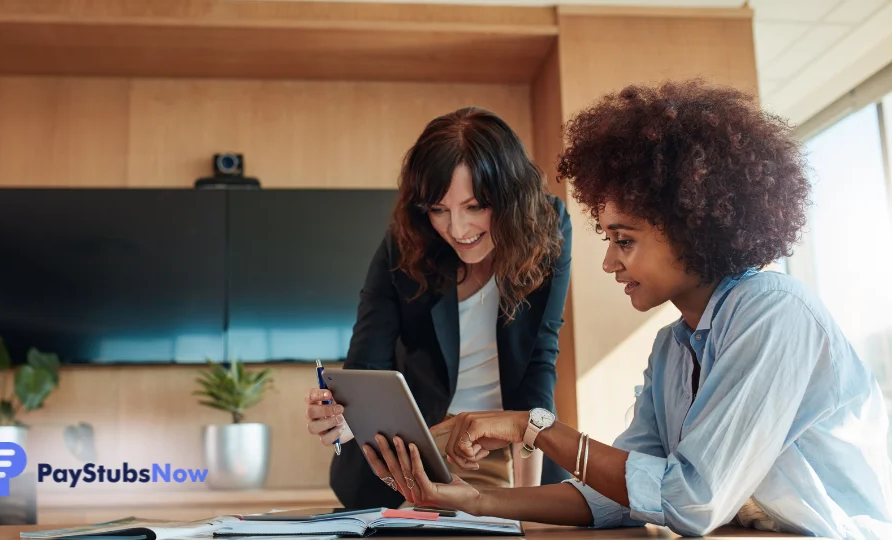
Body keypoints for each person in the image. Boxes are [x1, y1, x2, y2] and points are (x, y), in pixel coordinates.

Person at [362, 80, 892, 539]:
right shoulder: (673, 349)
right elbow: (616, 496)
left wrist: (533, 425)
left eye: (624, 240)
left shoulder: (774, 314)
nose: (608, 261)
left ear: (692, 229)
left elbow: (691, 500)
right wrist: (472, 501)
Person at [304, 106, 573, 509]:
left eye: (475, 206)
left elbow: (539, 359)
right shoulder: (406, 241)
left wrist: (528, 500)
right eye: (439, 210)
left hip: (512, 449)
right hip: (414, 456)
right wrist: (341, 419)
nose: (457, 230)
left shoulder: (546, 227)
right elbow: (367, 366)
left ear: (511, 198)